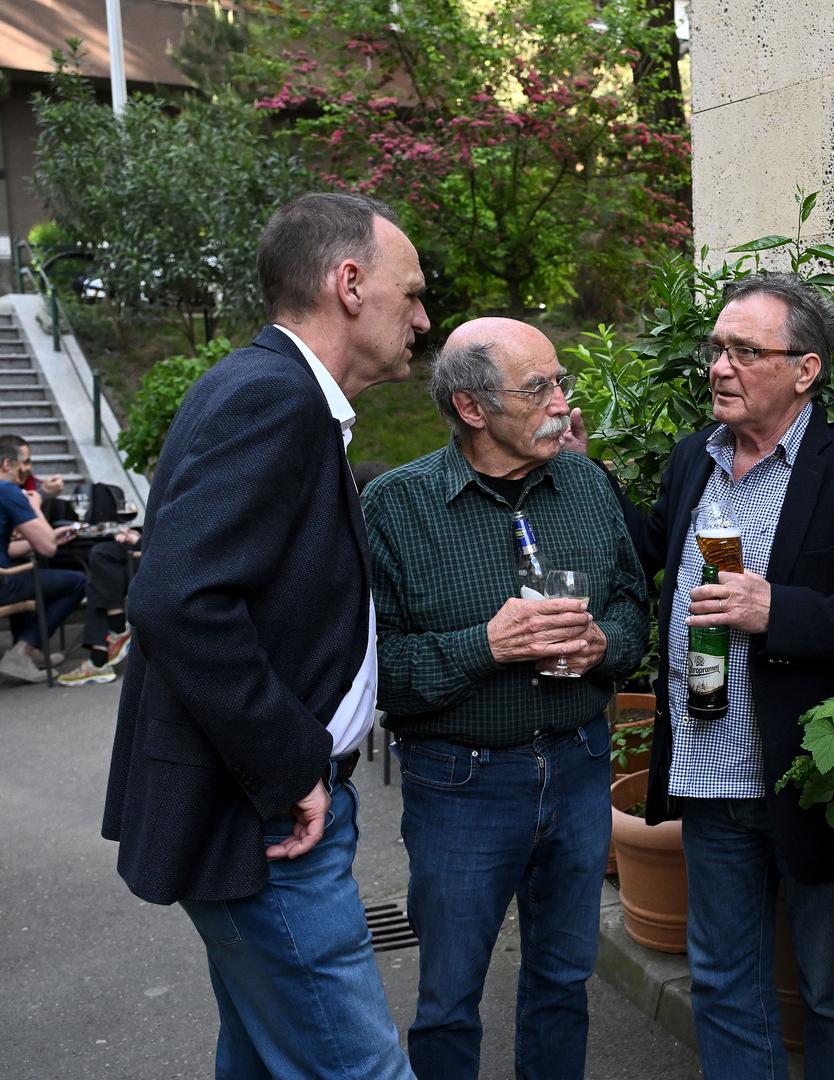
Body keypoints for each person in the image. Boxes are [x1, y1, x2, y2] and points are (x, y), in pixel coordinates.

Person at [101, 192, 429, 1078]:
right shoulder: (273, 397)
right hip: (269, 823)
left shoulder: (272, 389)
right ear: (348, 284)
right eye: (411, 294)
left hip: (266, 815)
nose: (422, 319)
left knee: (260, 1059)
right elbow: (178, 600)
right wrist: (290, 766)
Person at [612, 271, 834, 1080]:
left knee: (831, 991)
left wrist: (776, 610)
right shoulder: (694, 459)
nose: (720, 367)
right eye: (717, 348)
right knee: (722, 981)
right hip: (708, 771)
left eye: (745, 351)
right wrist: (584, 474)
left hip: (806, 779)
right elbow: (644, 550)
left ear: (804, 370)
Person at [363, 317, 648, 1080]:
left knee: (563, 981)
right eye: (537, 388)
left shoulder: (586, 484)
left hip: (580, 764)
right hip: (460, 783)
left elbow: (631, 605)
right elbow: (373, 671)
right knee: (449, 996)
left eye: (560, 381)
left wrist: (602, 645)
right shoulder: (395, 507)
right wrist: (485, 645)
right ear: (470, 407)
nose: (561, 403)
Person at [0, 433, 83, 684]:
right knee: (77, 582)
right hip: (3, 583)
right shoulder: (8, 490)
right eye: (23, 463)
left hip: (5, 571)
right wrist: (35, 505)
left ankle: (28, 648)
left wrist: (44, 539)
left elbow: (7, 549)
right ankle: (22, 650)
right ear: (7, 464)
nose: (26, 470)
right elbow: (47, 549)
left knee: (26, 569)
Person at [53, 527, 141, 686]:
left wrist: (139, 539)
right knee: (101, 571)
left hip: (161, 552)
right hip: (140, 545)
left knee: (100, 563)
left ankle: (100, 658)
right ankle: (114, 634)